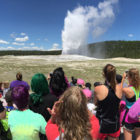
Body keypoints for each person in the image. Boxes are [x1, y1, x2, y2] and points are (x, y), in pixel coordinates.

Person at [94, 64, 122, 140]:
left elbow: (96, 103)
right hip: (114, 122)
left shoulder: (98, 88)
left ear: (103, 74)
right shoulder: (119, 88)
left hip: (102, 123)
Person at [121, 68, 140, 140]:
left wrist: (123, 78)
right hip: (138, 115)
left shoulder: (127, 90)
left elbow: (119, 90)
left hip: (129, 116)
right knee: (138, 136)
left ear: (129, 77)